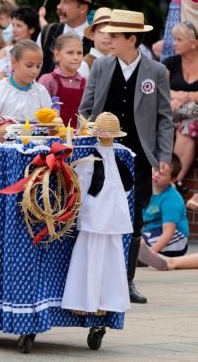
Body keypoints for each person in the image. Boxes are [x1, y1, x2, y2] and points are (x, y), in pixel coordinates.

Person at [79, 9, 175, 304]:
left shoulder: (156, 71)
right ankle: (91, 278)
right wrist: (90, 133)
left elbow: (164, 117)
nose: (108, 39)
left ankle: (127, 279)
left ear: (132, 39)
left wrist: (164, 155)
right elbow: (85, 108)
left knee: (134, 218)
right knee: (95, 212)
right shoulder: (101, 66)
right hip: (104, 152)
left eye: (115, 35)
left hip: (139, 155)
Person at [62, 112, 133, 315]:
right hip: (96, 213)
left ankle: (105, 301)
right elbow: (82, 186)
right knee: (90, 255)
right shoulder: (91, 159)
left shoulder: (118, 160)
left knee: (110, 258)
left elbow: (124, 186)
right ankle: (84, 302)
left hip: (113, 215)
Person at [163, 22, 198, 193]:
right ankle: (173, 181)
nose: (174, 43)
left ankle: (173, 180)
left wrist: (188, 97)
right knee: (183, 125)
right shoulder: (171, 62)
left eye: (179, 39)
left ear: (193, 42)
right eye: (174, 39)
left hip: (191, 115)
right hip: (172, 112)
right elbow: (159, 87)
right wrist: (176, 96)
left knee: (188, 126)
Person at [37, 0, 96, 77]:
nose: (59, 6)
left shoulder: (95, 40)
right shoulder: (47, 32)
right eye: (60, 1)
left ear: (83, 9)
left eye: (66, 2)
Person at [0, 39, 52, 121]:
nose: (35, 71)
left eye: (38, 66)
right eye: (29, 66)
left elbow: (49, 122)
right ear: (13, 63)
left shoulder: (41, 92)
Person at [142, 154, 189, 257]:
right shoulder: (145, 191)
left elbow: (168, 232)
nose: (156, 175)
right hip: (152, 233)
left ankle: (143, 256)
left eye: (162, 173)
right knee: (133, 239)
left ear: (172, 179)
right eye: (155, 168)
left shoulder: (171, 199)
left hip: (176, 238)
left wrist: (152, 252)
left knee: (140, 244)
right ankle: (138, 256)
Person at [38, 32, 86, 127]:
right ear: (57, 54)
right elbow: (39, 111)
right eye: (70, 53)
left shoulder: (85, 82)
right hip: (53, 135)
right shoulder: (48, 80)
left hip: (79, 138)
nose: (76, 57)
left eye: (79, 53)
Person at [0, 7, 40, 82]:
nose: (14, 30)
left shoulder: (40, 52)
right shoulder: (5, 52)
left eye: (19, 26)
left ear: (31, 29)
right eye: (13, 25)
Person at [78, 7, 112, 78]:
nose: (106, 36)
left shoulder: (117, 61)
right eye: (101, 32)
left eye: (111, 33)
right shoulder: (85, 65)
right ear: (92, 35)